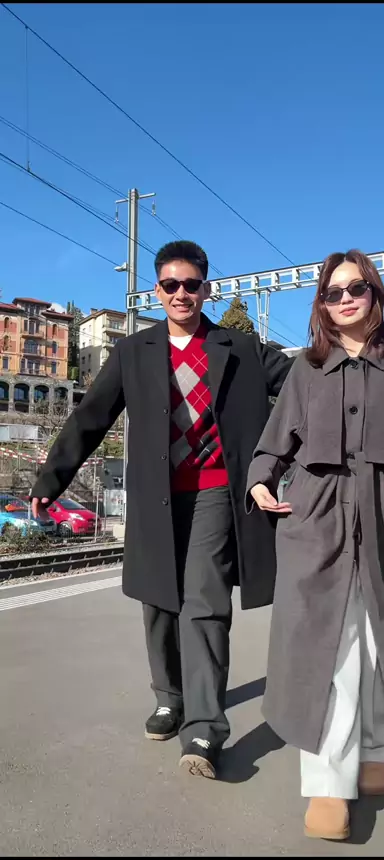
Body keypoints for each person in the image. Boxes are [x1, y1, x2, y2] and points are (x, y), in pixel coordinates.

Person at [31, 240, 293, 780]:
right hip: (156, 495)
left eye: (191, 285)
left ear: (206, 289)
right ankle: (170, 697)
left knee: (204, 601)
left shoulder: (241, 347)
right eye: (171, 285)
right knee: (158, 600)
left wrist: (350, 366)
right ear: (157, 290)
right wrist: (51, 479)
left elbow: (302, 385)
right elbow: (90, 417)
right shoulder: (134, 352)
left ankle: (204, 727)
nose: (181, 294)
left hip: (216, 491)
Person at [247, 249, 384, 840]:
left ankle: (375, 748)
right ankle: (328, 784)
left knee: (379, 642)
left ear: (375, 294)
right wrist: (261, 481)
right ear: (321, 302)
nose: (344, 299)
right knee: (328, 653)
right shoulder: (306, 367)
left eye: (356, 288)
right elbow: (274, 444)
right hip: (317, 520)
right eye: (332, 292)